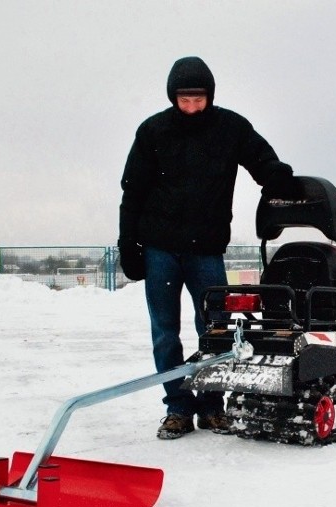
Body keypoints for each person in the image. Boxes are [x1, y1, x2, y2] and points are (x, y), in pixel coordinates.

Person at [118, 56, 297, 440]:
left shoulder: (230, 127)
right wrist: (128, 244)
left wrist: (277, 176)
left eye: (198, 99)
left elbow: (260, 158)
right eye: (185, 99)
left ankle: (212, 406)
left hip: (206, 250)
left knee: (214, 331)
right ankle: (178, 408)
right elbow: (132, 192)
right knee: (165, 332)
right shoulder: (153, 131)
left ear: (210, 96)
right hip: (160, 249)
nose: (192, 107)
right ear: (173, 97)